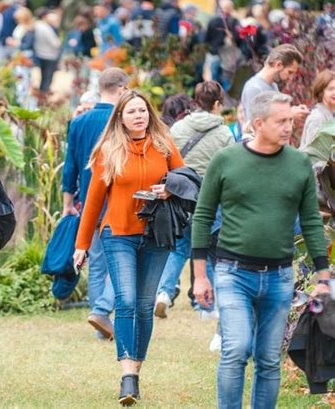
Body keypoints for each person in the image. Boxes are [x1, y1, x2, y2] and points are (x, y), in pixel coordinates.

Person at [192, 91, 330, 409]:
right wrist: (200, 275)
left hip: (279, 276)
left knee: (268, 360)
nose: (288, 127)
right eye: (280, 121)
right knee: (236, 348)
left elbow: (310, 221)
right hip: (232, 273)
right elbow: (202, 215)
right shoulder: (226, 161)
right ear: (258, 123)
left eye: (290, 121)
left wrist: (323, 277)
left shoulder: (298, 164)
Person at [73, 90, 184, 405]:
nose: (139, 116)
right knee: (126, 301)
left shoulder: (163, 145)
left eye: (143, 110)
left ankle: (136, 369)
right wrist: (81, 245)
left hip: (155, 235)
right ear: (120, 117)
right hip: (118, 233)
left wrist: (169, 190)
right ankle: (126, 374)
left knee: (145, 305)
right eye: (132, 111)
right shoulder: (109, 151)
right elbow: (93, 203)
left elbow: (187, 180)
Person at [155, 81, 234, 319]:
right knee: (208, 247)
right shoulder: (224, 133)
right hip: (211, 196)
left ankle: (164, 294)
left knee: (179, 248)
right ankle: (205, 305)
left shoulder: (178, 128)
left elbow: (165, 157)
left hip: (180, 194)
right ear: (218, 104)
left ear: (196, 101)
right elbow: (230, 169)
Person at [63, 68, 129, 339]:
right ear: (122, 88)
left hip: (89, 199)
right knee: (126, 258)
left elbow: (71, 165)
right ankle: (104, 311)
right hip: (119, 198)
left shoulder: (79, 122)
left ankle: (99, 321)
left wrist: (68, 200)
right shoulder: (122, 120)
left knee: (97, 261)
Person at [240, 43, 309, 122]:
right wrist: (290, 114)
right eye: (290, 72)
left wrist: (292, 110)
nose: (291, 78)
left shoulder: (273, 85)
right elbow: (255, 126)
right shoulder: (255, 89)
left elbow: (273, 115)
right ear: (278, 65)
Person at [300, 70, 335, 148]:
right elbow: (313, 154)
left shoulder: (331, 114)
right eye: (330, 89)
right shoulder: (317, 118)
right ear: (321, 92)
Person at [34, 10, 61, 95]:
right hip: (49, 55)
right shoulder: (46, 28)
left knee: (42, 77)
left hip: (40, 53)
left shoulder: (36, 25)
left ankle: (42, 95)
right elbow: (55, 43)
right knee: (47, 78)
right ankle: (44, 96)